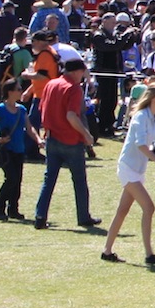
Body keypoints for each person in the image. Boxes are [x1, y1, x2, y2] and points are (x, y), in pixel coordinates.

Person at [99, 86, 155, 264]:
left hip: (138, 169)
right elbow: (141, 145)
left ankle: (107, 251)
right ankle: (149, 254)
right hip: (128, 167)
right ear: (153, 98)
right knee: (149, 207)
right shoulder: (140, 117)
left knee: (122, 211)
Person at [33, 57, 100, 231]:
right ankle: (83, 217)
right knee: (79, 180)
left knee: (49, 179)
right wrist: (86, 135)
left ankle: (40, 216)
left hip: (52, 138)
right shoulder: (73, 88)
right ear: (77, 71)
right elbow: (71, 115)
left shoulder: (51, 84)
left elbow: (42, 108)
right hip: (70, 140)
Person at [0, 86, 40, 221]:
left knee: (18, 181)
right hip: (6, 150)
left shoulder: (22, 109)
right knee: (11, 178)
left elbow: (29, 128)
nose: (20, 91)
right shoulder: (0, 109)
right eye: (18, 89)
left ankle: (13, 209)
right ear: (10, 92)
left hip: (19, 150)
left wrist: (38, 140)